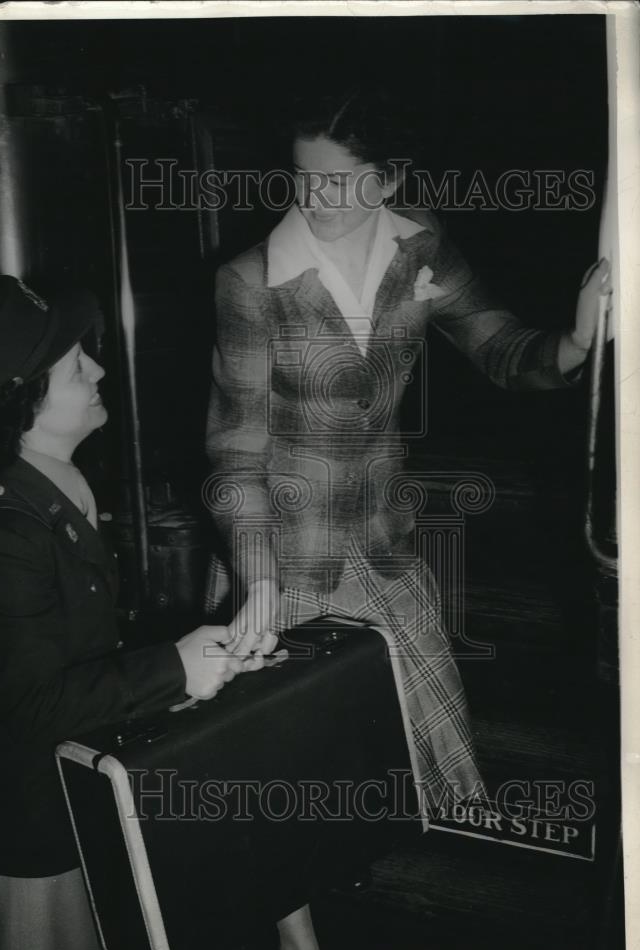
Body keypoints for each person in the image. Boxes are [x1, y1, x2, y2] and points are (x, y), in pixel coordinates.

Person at [205, 90, 609, 819]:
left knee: (441, 764)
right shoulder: (249, 281)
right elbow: (236, 455)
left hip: (383, 543)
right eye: (302, 177)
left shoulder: (421, 244)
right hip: (286, 555)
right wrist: (255, 579)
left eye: (339, 180)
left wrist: (576, 344)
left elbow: (502, 349)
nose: (315, 197)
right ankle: (300, 927)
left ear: (389, 179)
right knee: (292, 774)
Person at [0, 275, 247, 950]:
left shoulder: (54, 480)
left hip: (75, 798)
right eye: (79, 367)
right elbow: (33, 702)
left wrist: (196, 663)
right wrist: (174, 667)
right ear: (25, 403)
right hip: (29, 828)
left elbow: (88, 647)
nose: (101, 371)